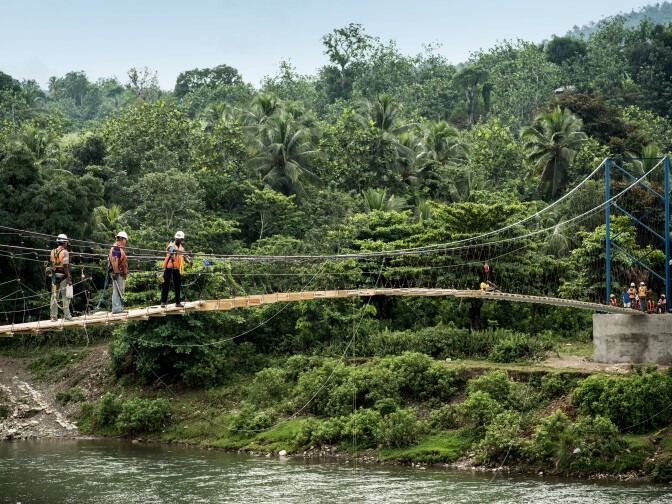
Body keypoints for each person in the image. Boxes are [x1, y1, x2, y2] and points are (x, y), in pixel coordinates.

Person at [161, 231, 191, 308]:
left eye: (179, 239)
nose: (177, 240)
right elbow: (173, 251)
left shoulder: (181, 248)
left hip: (176, 268)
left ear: (182, 239)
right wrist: (185, 252)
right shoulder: (171, 245)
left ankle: (178, 302)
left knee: (177, 285)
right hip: (169, 267)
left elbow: (184, 257)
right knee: (166, 284)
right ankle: (163, 302)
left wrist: (189, 262)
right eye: (177, 238)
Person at [50, 234, 73, 321]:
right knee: (65, 296)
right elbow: (65, 266)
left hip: (54, 277)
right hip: (63, 276)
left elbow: (53, 263)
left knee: (54, 296)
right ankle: (67, 315)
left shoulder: (52, 251)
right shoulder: (65, 252)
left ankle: (53, 316)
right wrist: (68, 278)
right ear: (64, 243)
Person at [109, 231, 129, 314]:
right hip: (118, 272)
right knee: (117, 290)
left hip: (120, 272)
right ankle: (116, 309)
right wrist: (116, 272)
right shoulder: (116, 248)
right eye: (125, 240)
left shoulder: (118, 248)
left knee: (119, 290)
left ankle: (118, 308)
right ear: (122, 239)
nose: (125, 242)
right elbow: (114, 261)